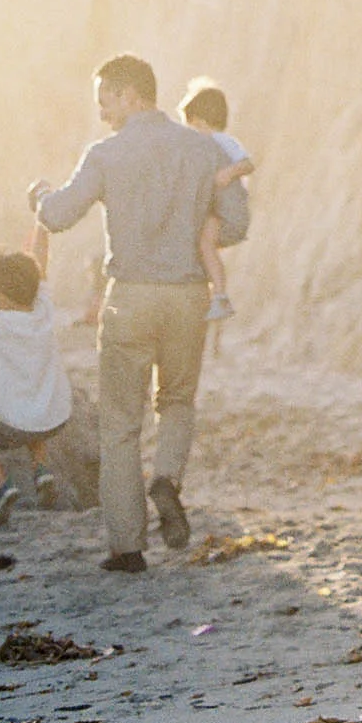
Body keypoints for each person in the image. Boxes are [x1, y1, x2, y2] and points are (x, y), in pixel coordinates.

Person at [31, 53, 223, 572]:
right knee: (177, 400)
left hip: (131, 296)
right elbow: (233, 219)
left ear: (130, 94)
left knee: (119, 424)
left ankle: (128, 547)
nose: (102, 112)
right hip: (188, 295)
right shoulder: (201, 149)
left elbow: (59, 215)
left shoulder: (106, 154)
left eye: (106, 100)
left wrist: (40, 197)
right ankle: (167, 478)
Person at [0, 236, 72, 527]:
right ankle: (42, 469)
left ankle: (3, 485)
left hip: (15, 422)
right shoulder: (44, 307)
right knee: (34, 409)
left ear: (2, 297)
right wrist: (41, 225)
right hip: (56, 415)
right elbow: (41, 259)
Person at [179, 80, 255, 324]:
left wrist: (229, 173)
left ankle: (220, 296)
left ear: (200, 122)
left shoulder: (222, 141)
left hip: (228, 214)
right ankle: (212, 294)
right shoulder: (211, 145)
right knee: (203, 245)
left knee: (205, 243)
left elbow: (248, 164)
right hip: (219, 211)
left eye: (191, 127)